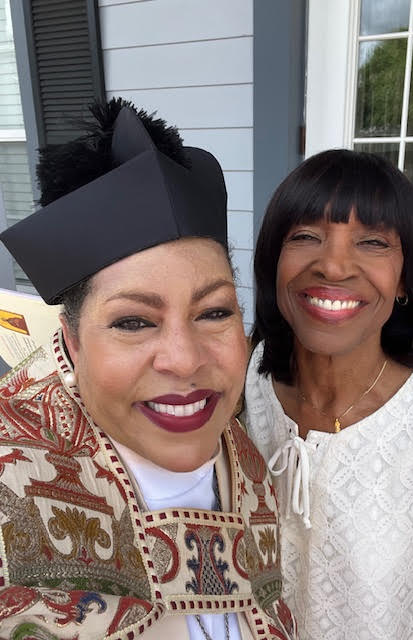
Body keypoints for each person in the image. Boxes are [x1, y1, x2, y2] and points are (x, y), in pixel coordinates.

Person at [0, 99, 297, 640]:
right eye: (133, 322)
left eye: (214, 312)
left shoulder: (248, 465)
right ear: (72, 342)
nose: (184, 360)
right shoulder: (10, 483)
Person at [243, 149, 413, 640]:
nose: (332, 266)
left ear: (404, 280)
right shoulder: (245, 384)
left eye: (372, 242)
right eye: (305, 236)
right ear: (273, 262)